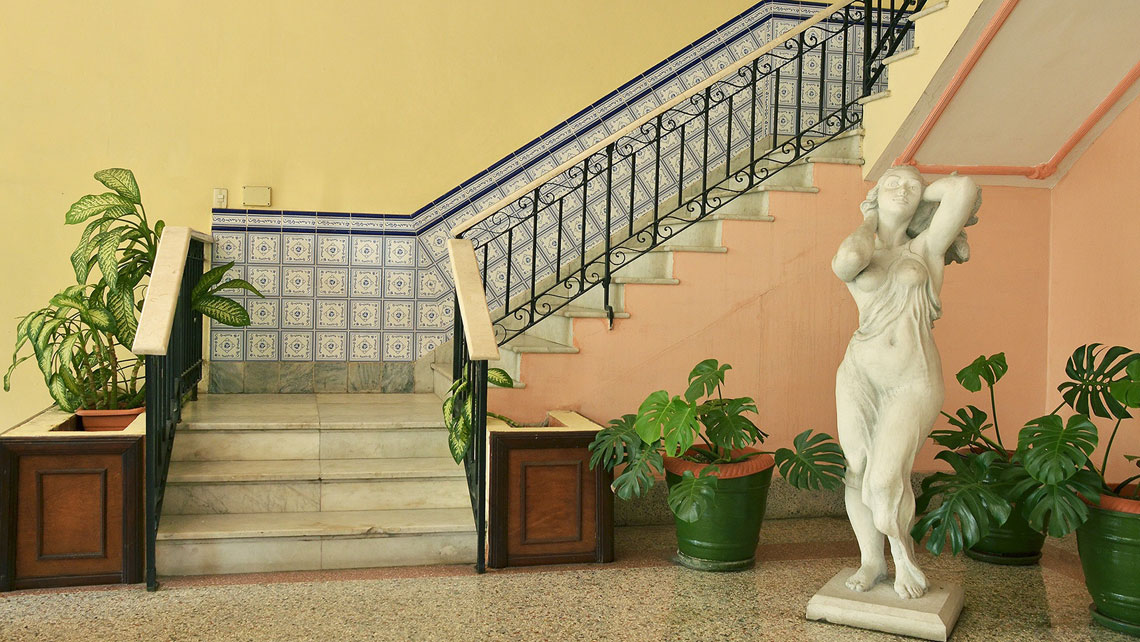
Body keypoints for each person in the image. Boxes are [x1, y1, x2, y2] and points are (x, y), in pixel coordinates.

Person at [831, 166, 980, 599]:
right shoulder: (866, 244)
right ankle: (871, 560)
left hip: (912, 382)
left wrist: (916, 194)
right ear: (875, 195)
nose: (902, 189)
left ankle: (903, 556)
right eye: (892, 182)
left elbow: (963, 188)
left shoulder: (928, 247)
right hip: (859, 374)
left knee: (884, 476)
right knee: (857, 469)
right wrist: (875, 212)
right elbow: (847, 262)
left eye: (911, 186)